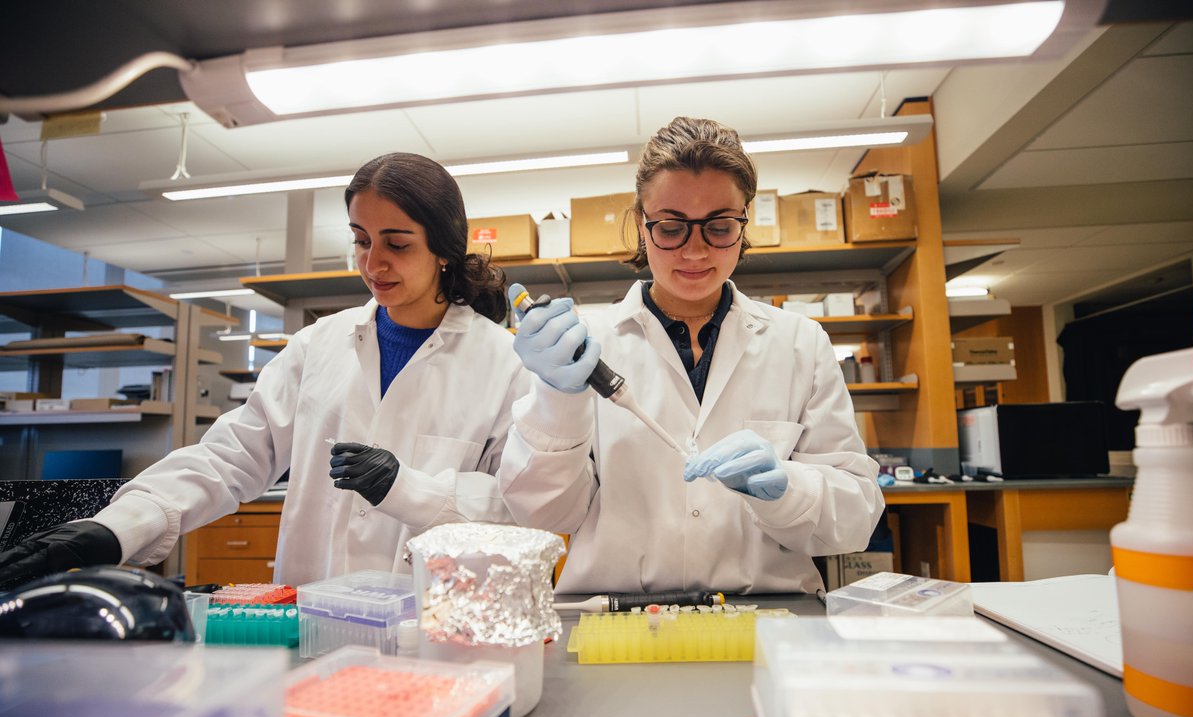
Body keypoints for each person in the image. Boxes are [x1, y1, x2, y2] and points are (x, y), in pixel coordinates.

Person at [0, 153, 530, 591]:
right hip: (315, 620)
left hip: (437, 626)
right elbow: (230, 456)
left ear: (444, 249)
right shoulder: (318, 346)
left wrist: (411, 488)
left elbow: (521, 508)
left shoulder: (504, 364)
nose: (373, 264)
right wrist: (116, 528)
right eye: (361, 240)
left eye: (397, 243)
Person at [499, 116, 884, 594]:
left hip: (768, 616)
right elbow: (541, 514)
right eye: (671, 227)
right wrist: (556, 401)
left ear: (744, 222)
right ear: (641, 225)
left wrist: (788, 488)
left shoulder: (800, 343)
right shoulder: (582, 347)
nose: (696, 251)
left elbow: (855, 519)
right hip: (615, 618)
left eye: (719, 227)